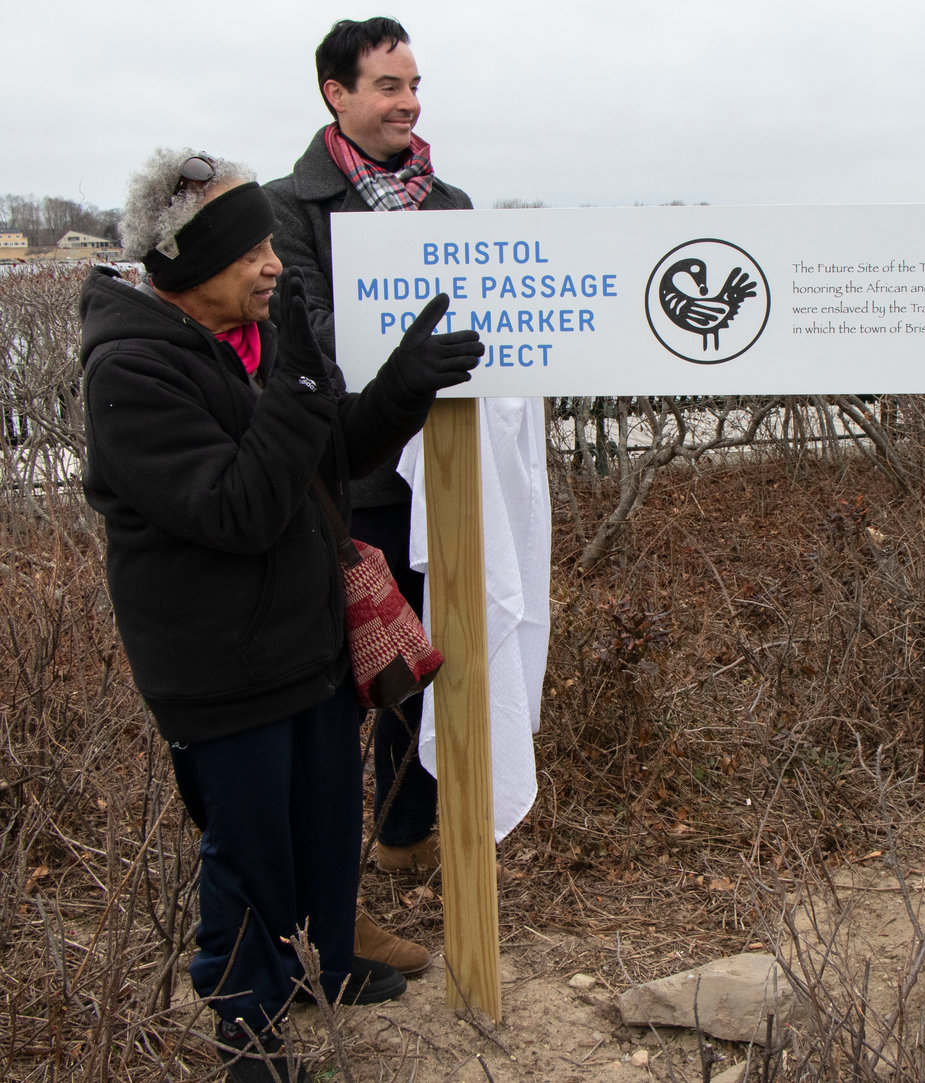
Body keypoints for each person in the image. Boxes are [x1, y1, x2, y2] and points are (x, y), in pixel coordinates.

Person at [81, 149, 481, 1081]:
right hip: (223, 668)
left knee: (324, 824)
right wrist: (301, 383)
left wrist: (402, 386)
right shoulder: (133, 371)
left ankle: (321, 965)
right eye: (250, 250)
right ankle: (248, 1037)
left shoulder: (248, 347)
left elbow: (323, 452)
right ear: (185, 263)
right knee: (251, 854)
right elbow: (238, 506)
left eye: (271, 242)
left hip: (302, 646)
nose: (274, 265)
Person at [265, 17, 470, 917]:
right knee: (340, 684)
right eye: (388, 86)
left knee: (425, 670)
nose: (410, 102)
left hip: (438, 479)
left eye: (414, 83)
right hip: (347, 484)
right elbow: (312, 346)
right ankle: (320, 887)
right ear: (336, 95)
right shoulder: (289, 209)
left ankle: (404, 833)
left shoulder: (450, 203)